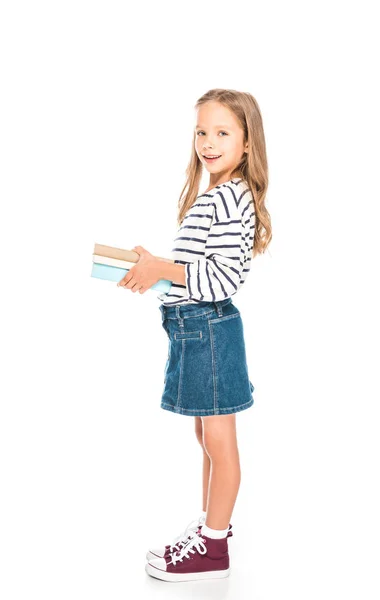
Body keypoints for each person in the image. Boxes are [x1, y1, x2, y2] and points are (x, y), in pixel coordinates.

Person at [117, 88, 272, 582]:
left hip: (209, 331)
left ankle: (214, 547)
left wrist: (164, 267)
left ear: (247, 143)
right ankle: (211, 528)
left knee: (220, 441)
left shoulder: (230, 197)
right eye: (202, 132)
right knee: (206, 436)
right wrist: (154, 268)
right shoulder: (215, 195)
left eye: (222, 132)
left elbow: (222, 277)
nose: (208, 142)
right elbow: (195, 268)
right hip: (194, 330)